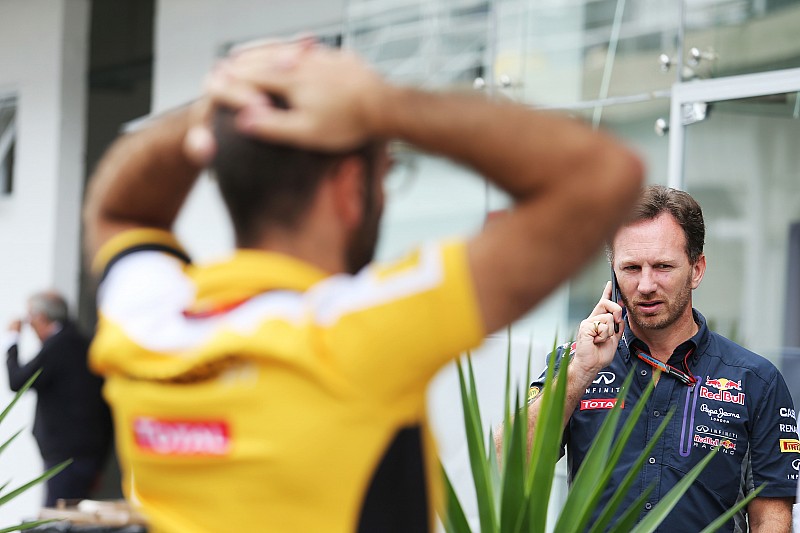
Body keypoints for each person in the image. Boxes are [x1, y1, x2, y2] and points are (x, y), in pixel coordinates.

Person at [82, 40, 643, 532]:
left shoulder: (147, 320)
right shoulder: (355, 331)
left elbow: (117, 209)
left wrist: (231, 104)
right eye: (386, 173)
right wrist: (382, 105)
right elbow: (602, 175)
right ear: (350, 187)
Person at [512, 185, 796, 532]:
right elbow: (504, 464)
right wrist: (582, 370)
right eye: (631, 268)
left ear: (697, 269)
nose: (646, 285)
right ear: (613, 274)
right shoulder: (575, 364)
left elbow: (772, 518)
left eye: (662, 266)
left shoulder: (755, 380)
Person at [4, 291, 112, 507]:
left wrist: (12, 341)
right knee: (76, 517)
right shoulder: (83, 342)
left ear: (42, 317)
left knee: (58, 518)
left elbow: (18, 381)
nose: (30, 325)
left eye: (30, 319)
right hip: (88, 452)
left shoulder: (59, 345)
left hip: (65, 456)